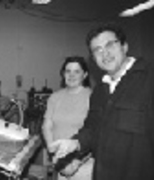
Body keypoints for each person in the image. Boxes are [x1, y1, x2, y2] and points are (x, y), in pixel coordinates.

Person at [51, 24, 154, 180]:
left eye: (110, 45)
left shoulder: (148, 78)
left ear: (125, 46)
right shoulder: (99, 92)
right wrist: (75, 144)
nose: (104, 53)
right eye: (97, 50)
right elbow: (92, 129)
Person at [42, 56, 93, 180]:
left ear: (85, 75)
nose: (71, 75)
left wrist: (77, 161)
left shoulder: (93, 97)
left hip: (83, 163)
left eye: (77, 71)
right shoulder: (55, 97)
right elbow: (47, 125)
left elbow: (96, 133)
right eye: (68, 71)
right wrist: (51, 148)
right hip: (60, 162)